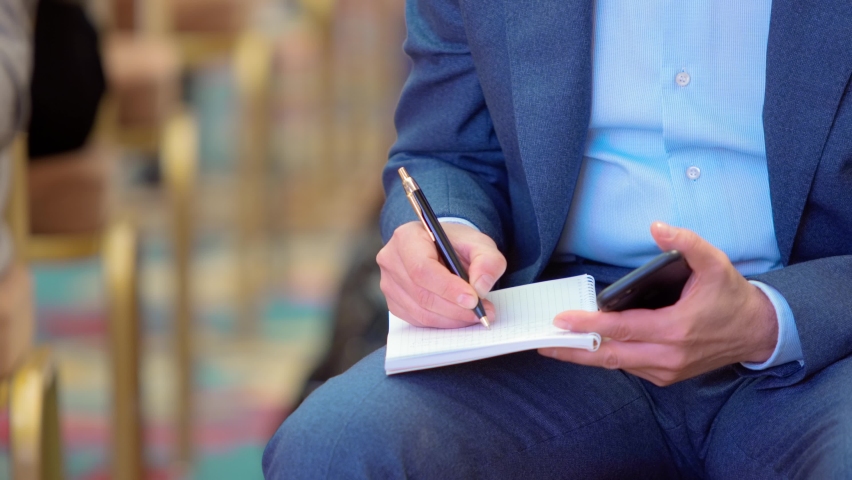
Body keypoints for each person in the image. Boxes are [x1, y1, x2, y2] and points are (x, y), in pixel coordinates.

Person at [264, 1, 852, 478]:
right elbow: (447, 151)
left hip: (823, 335)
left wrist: (770, 318)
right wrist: (449, 231)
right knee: (333, 447)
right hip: (569, 325)